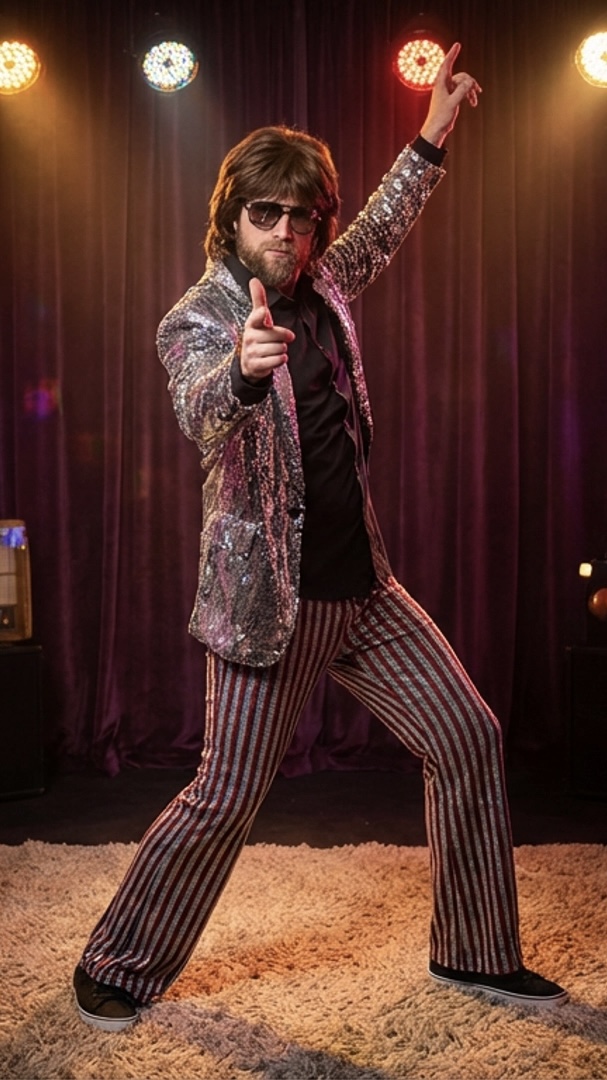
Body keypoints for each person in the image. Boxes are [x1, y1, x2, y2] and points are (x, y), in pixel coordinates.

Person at [73, 43, 568, 1032]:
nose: (288, 233)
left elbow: (382, 224)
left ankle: (473, 951)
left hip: (361, 588)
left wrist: (431, 136)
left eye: (303, 217)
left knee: (468, 736)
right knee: (225, 794)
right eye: (268, 214)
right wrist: (245, 370)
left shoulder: (327, 284)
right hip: (269, 604)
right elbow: (199, 409)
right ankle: (118, 960)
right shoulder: (197, 320)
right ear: (231, 216)